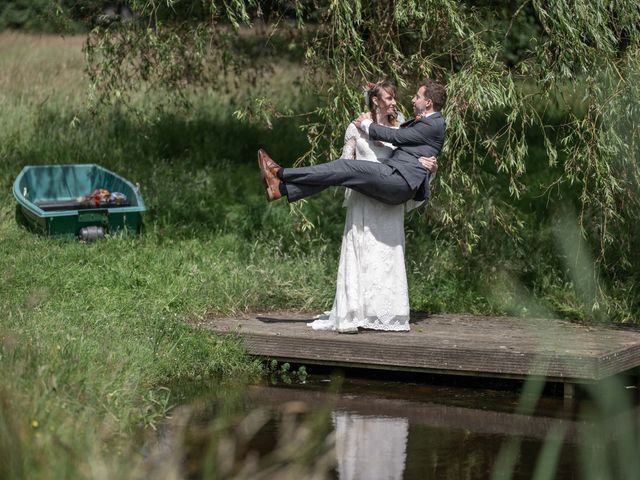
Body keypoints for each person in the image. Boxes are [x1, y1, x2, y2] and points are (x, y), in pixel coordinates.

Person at [307, 81, 437, 333]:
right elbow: (344, 166)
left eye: (394, 97)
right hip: (364, 200)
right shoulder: (356, 128)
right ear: (375, 101)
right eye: (388, 98)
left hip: (389, 202)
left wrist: (431, 170)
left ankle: (387, 314)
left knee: (386, 256)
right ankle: (354, 312)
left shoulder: (401, 126)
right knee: (362, 252)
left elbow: (414, 163)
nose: (393, 102)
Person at [257, 78, 446, 207]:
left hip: (397, 179)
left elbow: (396, 137)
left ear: (428, 102)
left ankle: (279, 173)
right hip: (394, 179)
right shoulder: (427, 122)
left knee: (344, 168)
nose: (413, 99)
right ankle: (280, 188)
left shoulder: (432, 124)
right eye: (389, 97)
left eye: (417, 97)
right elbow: (412, 145)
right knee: (341, 174)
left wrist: (366, 124)